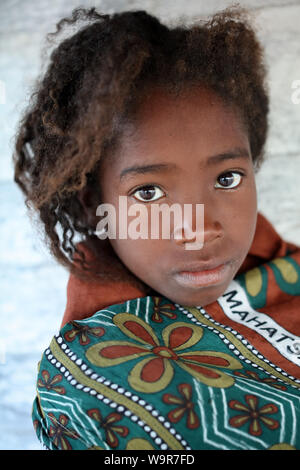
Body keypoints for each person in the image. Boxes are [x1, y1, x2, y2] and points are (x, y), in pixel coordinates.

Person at [13, 5, 300, 450]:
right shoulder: (88, 397)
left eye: (227, 178)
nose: (200, 229)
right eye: (148, 192)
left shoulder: (286, 270)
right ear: (94, 205)